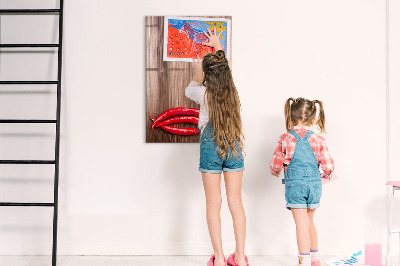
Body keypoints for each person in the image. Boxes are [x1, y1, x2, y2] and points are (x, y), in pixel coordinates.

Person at [185, 28, 248, 266]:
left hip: (210, 147)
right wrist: (218, 46)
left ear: (207, 75)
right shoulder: (233, 93)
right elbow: (225, 71)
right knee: (236, 202)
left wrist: (197, 68)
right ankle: (240, 257)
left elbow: (188, 88)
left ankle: (220, 258)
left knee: (214, 203)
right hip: (233, 145)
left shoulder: (202, 94)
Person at [270, 98, 335, 266]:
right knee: (309, 222)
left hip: (295, 186)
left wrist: (275, 171)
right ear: (313, 120)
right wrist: (327, 176)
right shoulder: (318, 139)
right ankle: (315, 260)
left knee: (301, 224)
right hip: (314, 185)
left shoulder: (285, 138)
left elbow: (275, 164)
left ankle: (304, 261)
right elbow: (328, 165)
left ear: (291, 117)